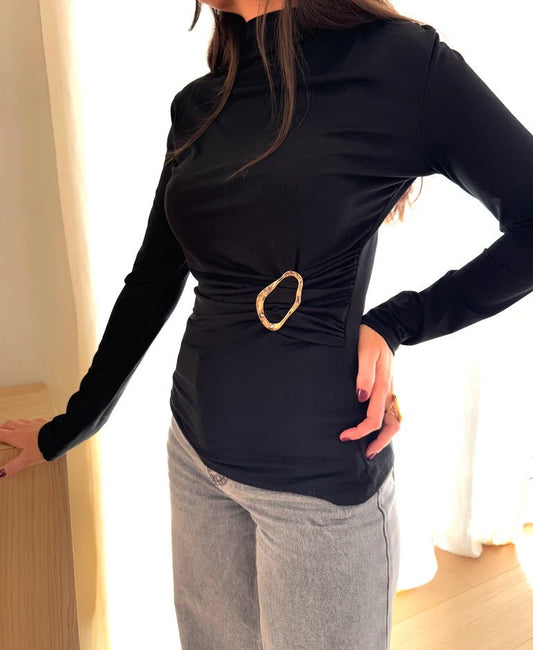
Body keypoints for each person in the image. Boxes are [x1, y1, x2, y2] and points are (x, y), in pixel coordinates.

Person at [2, 0, 533, 647]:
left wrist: (398, 321)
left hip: (315, 484)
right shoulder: (200, 106)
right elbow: (152, 282)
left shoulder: (399, 64)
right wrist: (71, 425)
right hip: (195, 456)